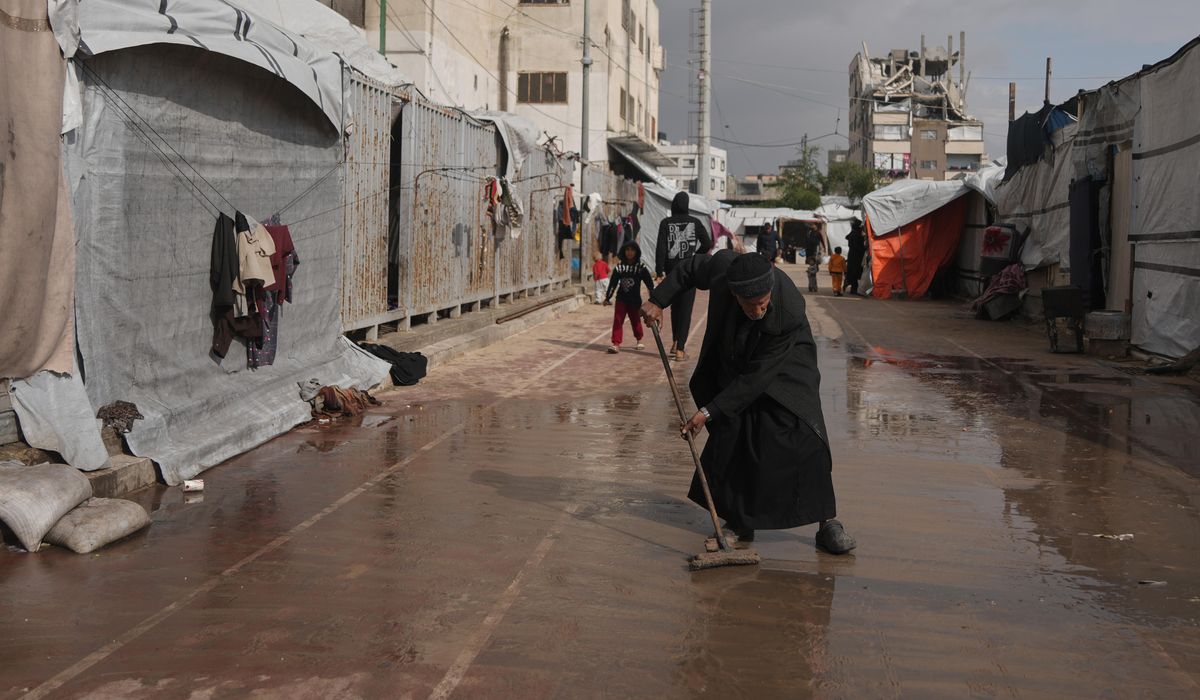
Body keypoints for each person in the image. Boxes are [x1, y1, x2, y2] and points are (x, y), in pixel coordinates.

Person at [641, 252, 855, 554]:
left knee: (803, 436)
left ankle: (827, 521)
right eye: (749, 304)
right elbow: (689, 268)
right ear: (734, 293)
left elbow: (758, 376)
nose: (757, 310)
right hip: (737, 354)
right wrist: (658, 300)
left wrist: (709, 411)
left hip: (786, 363)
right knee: (735, 435)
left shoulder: (788, 308)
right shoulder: (722, 270)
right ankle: (739, 521)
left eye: (762, 303)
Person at [655, 191, 713, 361]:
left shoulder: (665, 223)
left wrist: (659, 270)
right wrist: (696, 257)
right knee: (686, 310)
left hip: (672, 271)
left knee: (675, 308)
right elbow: (707, 243)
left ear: (674, 204)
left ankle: (675, 343)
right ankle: (680, 348)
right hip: (690, 271)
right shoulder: (695, 222)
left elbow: (661, 248)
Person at [604, 241, 654, 354]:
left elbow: (649, 283)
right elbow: (613, 283)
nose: (629, 252)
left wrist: (653, 299)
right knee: (618, 320)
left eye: (632, 250)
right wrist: (608, 297)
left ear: (636, 252)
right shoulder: (619, 267)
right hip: (621, 299)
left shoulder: (641, 267)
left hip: (635, 300)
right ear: (624, 251)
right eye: (627, 250)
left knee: (635, 320)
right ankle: (616, 343)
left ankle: (639, 339)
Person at [844, 219, 867, 296]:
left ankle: (850, 285)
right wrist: (863, 249)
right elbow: (856, 245)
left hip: (852, 255)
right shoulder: (856, 234)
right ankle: (853, 288)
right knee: (855, 272)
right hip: (856, 256)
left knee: (853, 272)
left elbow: (847, 238)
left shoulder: (853, 233)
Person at [803, 224, 823, 293]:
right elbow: (806, 240)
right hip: (809, 250)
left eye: (813, 225)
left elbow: (821, 240)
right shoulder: (809, 232)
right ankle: (811, 286)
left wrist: (823, 247)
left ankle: (814, 286)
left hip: (815, 249)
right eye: (811, 226)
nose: (812, 227)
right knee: (811, 267)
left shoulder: (818, 233)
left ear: (816, 226)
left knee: (814, 265)